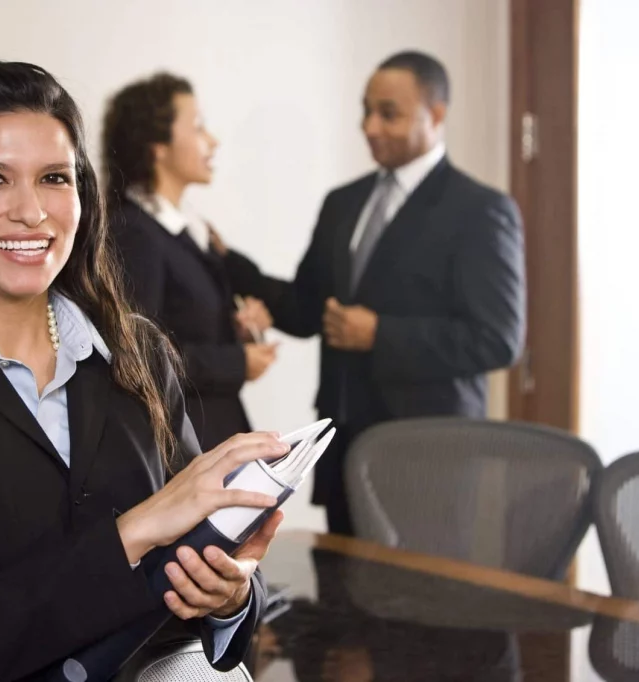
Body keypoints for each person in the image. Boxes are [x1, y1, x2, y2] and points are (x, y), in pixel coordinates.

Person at [0, 60, 285, 681]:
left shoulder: (138, 352)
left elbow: (194, 579)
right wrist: (141, 528)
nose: (31, 212)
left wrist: (228, 598)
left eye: (54, 179)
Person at [213, 51, 526, 535]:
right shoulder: (344, 203)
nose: (370, 126)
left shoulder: (481, 210)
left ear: (436, 114)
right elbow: (307, 307)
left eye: (389, 113)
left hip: (431, 457)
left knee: (419, 604)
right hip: (344, 444)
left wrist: (381, 334)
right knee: (344, 599)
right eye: (366, 111)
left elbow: (499, 338)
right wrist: (227, 265)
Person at [101, 73, 276, 451]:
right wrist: (235, 362)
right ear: (156, 146)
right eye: (197, 127)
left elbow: (181, 327)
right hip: (182, 448)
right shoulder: (133, 233)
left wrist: (238, 330)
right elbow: (136, 353)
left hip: (212, 433)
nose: (212, 140)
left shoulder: (187, 231)